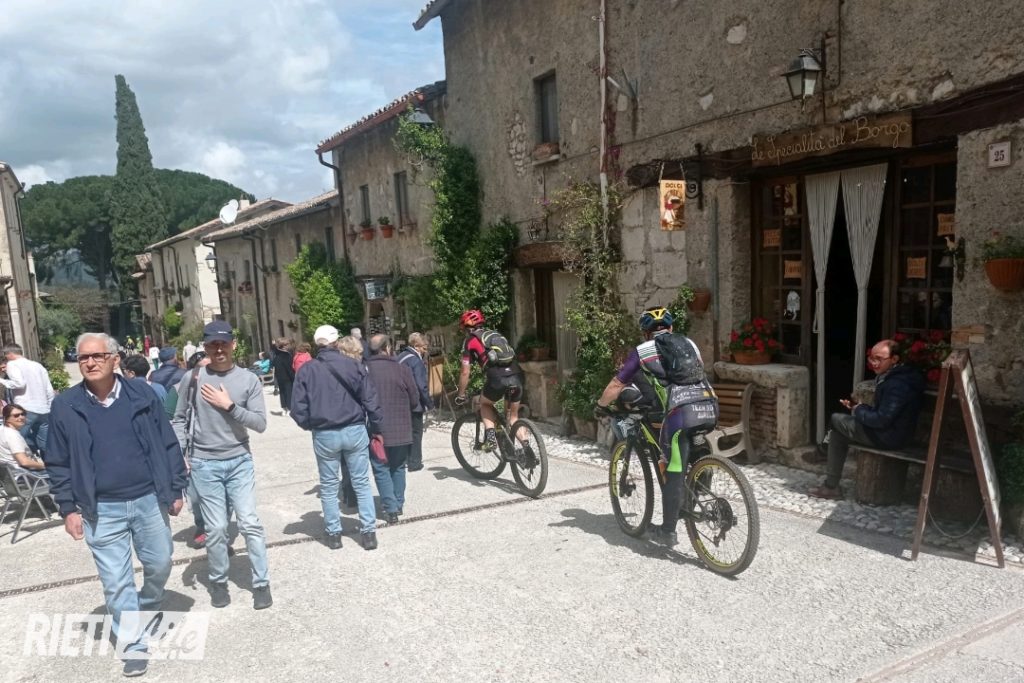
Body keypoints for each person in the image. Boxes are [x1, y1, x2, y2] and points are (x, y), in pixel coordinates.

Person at [44, 332, 186, 677]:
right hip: (101, 509)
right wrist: (68, 508)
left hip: (148, 499)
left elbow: (167, 441)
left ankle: (148, 604)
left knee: (160, 562)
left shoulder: (142, 394)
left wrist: (176, 486)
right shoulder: (66, 405)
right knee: (116, 581)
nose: (90, 363)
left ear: (115, 359)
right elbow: (57, 461)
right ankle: (132, 644)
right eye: (83, 358)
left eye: (98, 356)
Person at [595, 307, 718, 547]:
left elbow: (617, 384)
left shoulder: (642, 351)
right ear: (670, 328)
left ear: (645, 333)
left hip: (681, 413)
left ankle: (667, 532)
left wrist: (600, 405)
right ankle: (699, 479)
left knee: (673, 468)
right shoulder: (689, 344)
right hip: (709, 406)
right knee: (687, 447)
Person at [171, 321, 272, 610]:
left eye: (223, 343)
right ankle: (218, 581)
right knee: (215, 528)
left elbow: (260, 424)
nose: (219, 349)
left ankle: (261, 583)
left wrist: (229, 406)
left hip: (239, 460)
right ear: (205, 347)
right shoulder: (192, 378)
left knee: (249, 523)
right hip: (204, 464)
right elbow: (178, 417)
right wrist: (181, 454)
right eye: (213, 344)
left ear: (233, 345)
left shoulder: (249, 380)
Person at [291, 326, 383, 550]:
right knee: (361, 482)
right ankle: (368, 533)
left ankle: (334, 535)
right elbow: (370, 398)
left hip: (325, 431)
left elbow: (297, 407)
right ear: (336, 342)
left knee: (329, 485)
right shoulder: (353, 365)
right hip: (353, 427)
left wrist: (311, 424)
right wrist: (376, 426)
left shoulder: (307, 369)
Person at [808, 339, 926, 500]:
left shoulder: (898, 385)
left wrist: (859, 410)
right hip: (889, 433)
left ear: (894, 359)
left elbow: (881, 420)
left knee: (836, 418)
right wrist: (860, 407)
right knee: (837, 433)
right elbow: (883, 414)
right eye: (872, 358)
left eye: (879, 359)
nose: (874, 363)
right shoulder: (893, 377)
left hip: (889, 437)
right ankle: (831, 486)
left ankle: (822, 451)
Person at [365, 335, 419, 523]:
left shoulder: (364, 370)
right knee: (398, 466)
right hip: (401, 426)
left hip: (375, 427)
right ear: (387, 348)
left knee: (381, 468)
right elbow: (414, 399)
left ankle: (391, 508)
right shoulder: (402, 369)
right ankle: (398, 502)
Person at [454, 310, 523, 450]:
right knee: (513, 417)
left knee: (484, 404)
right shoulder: (495, 334)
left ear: (466, 327)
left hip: (497, 378)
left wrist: (461, 394)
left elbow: (465, 371)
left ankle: (491, 439)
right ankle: (527, 449)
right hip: (516, 375)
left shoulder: (470, 341)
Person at [0, 343, 55, 456]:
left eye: (5, 355)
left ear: (9, 354)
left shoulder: (12, 364)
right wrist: (49, 407)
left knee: (16, 441)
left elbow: (19, 383)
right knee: (44, 444)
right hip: (44, 410)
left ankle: (26, 464)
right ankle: (49, 465)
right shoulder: (38, 366)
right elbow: (49, 390)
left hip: (25, 409)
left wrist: (2, 381)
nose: (5, 358)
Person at [398, 332, 433, 472]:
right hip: (414, 403)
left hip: (400, 401)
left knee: (405, 431)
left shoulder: (400, 357)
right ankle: (415, 462)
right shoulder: (415, 361)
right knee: (416, 432)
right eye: (424, 347)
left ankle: (404, 458)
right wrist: (429, 403)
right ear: (416, 346)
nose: (425, 350)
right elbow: (421, 385)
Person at [0, 403, 47, 475]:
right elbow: (24, 462)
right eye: (16, 415)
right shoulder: (13, 435)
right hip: (26, 474)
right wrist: (46, 466)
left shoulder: (2, 429)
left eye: (23, 414)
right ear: (7, 418)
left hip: (11, 473)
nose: (21, 417)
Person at [271, 338, 295, 415]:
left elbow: (273, 365)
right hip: (287, 378)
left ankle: (284, 409)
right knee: (289, 392)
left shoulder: (277, 356)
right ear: (284, 346)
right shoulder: (287, 355)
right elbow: (289, 368)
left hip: (279, 377)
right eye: (287, 345)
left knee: (282, 393)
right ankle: (289, 409)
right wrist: (293, 377)